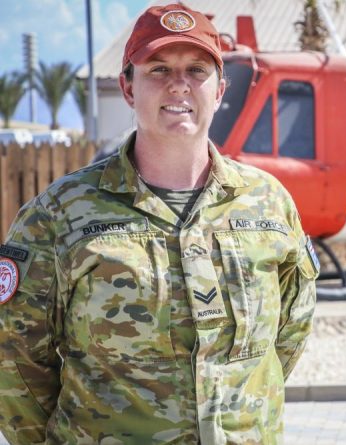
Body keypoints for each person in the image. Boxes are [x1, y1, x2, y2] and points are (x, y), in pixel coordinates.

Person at [0, 4, 318, 443]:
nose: (179, 84)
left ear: (220, 89)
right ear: (128, 88)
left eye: (197, 69)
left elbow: (289, 332)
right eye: (158, 69)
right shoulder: (59, 215)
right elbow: (14, 358)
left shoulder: (267, 203)